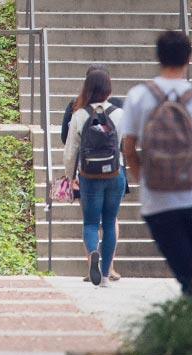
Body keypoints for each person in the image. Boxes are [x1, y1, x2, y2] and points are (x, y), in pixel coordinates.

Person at [121, 31, 192, 295]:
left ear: (158, 57)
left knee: (186, 275)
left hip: (158, 202)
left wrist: (143, 179)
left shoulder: (138, 97)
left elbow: (129, 149)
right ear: (189, 58)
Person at [62, 66, 126, 287]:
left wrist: (70, 176)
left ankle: (93, 254)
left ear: (87, 88)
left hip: (88, 176)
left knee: (90, 223)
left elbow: (70, 151)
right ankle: (106, 276)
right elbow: (126, 146)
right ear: (109, 90)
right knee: (109, 222)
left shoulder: (79, 115)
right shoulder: (119, 114)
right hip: (115, 175)